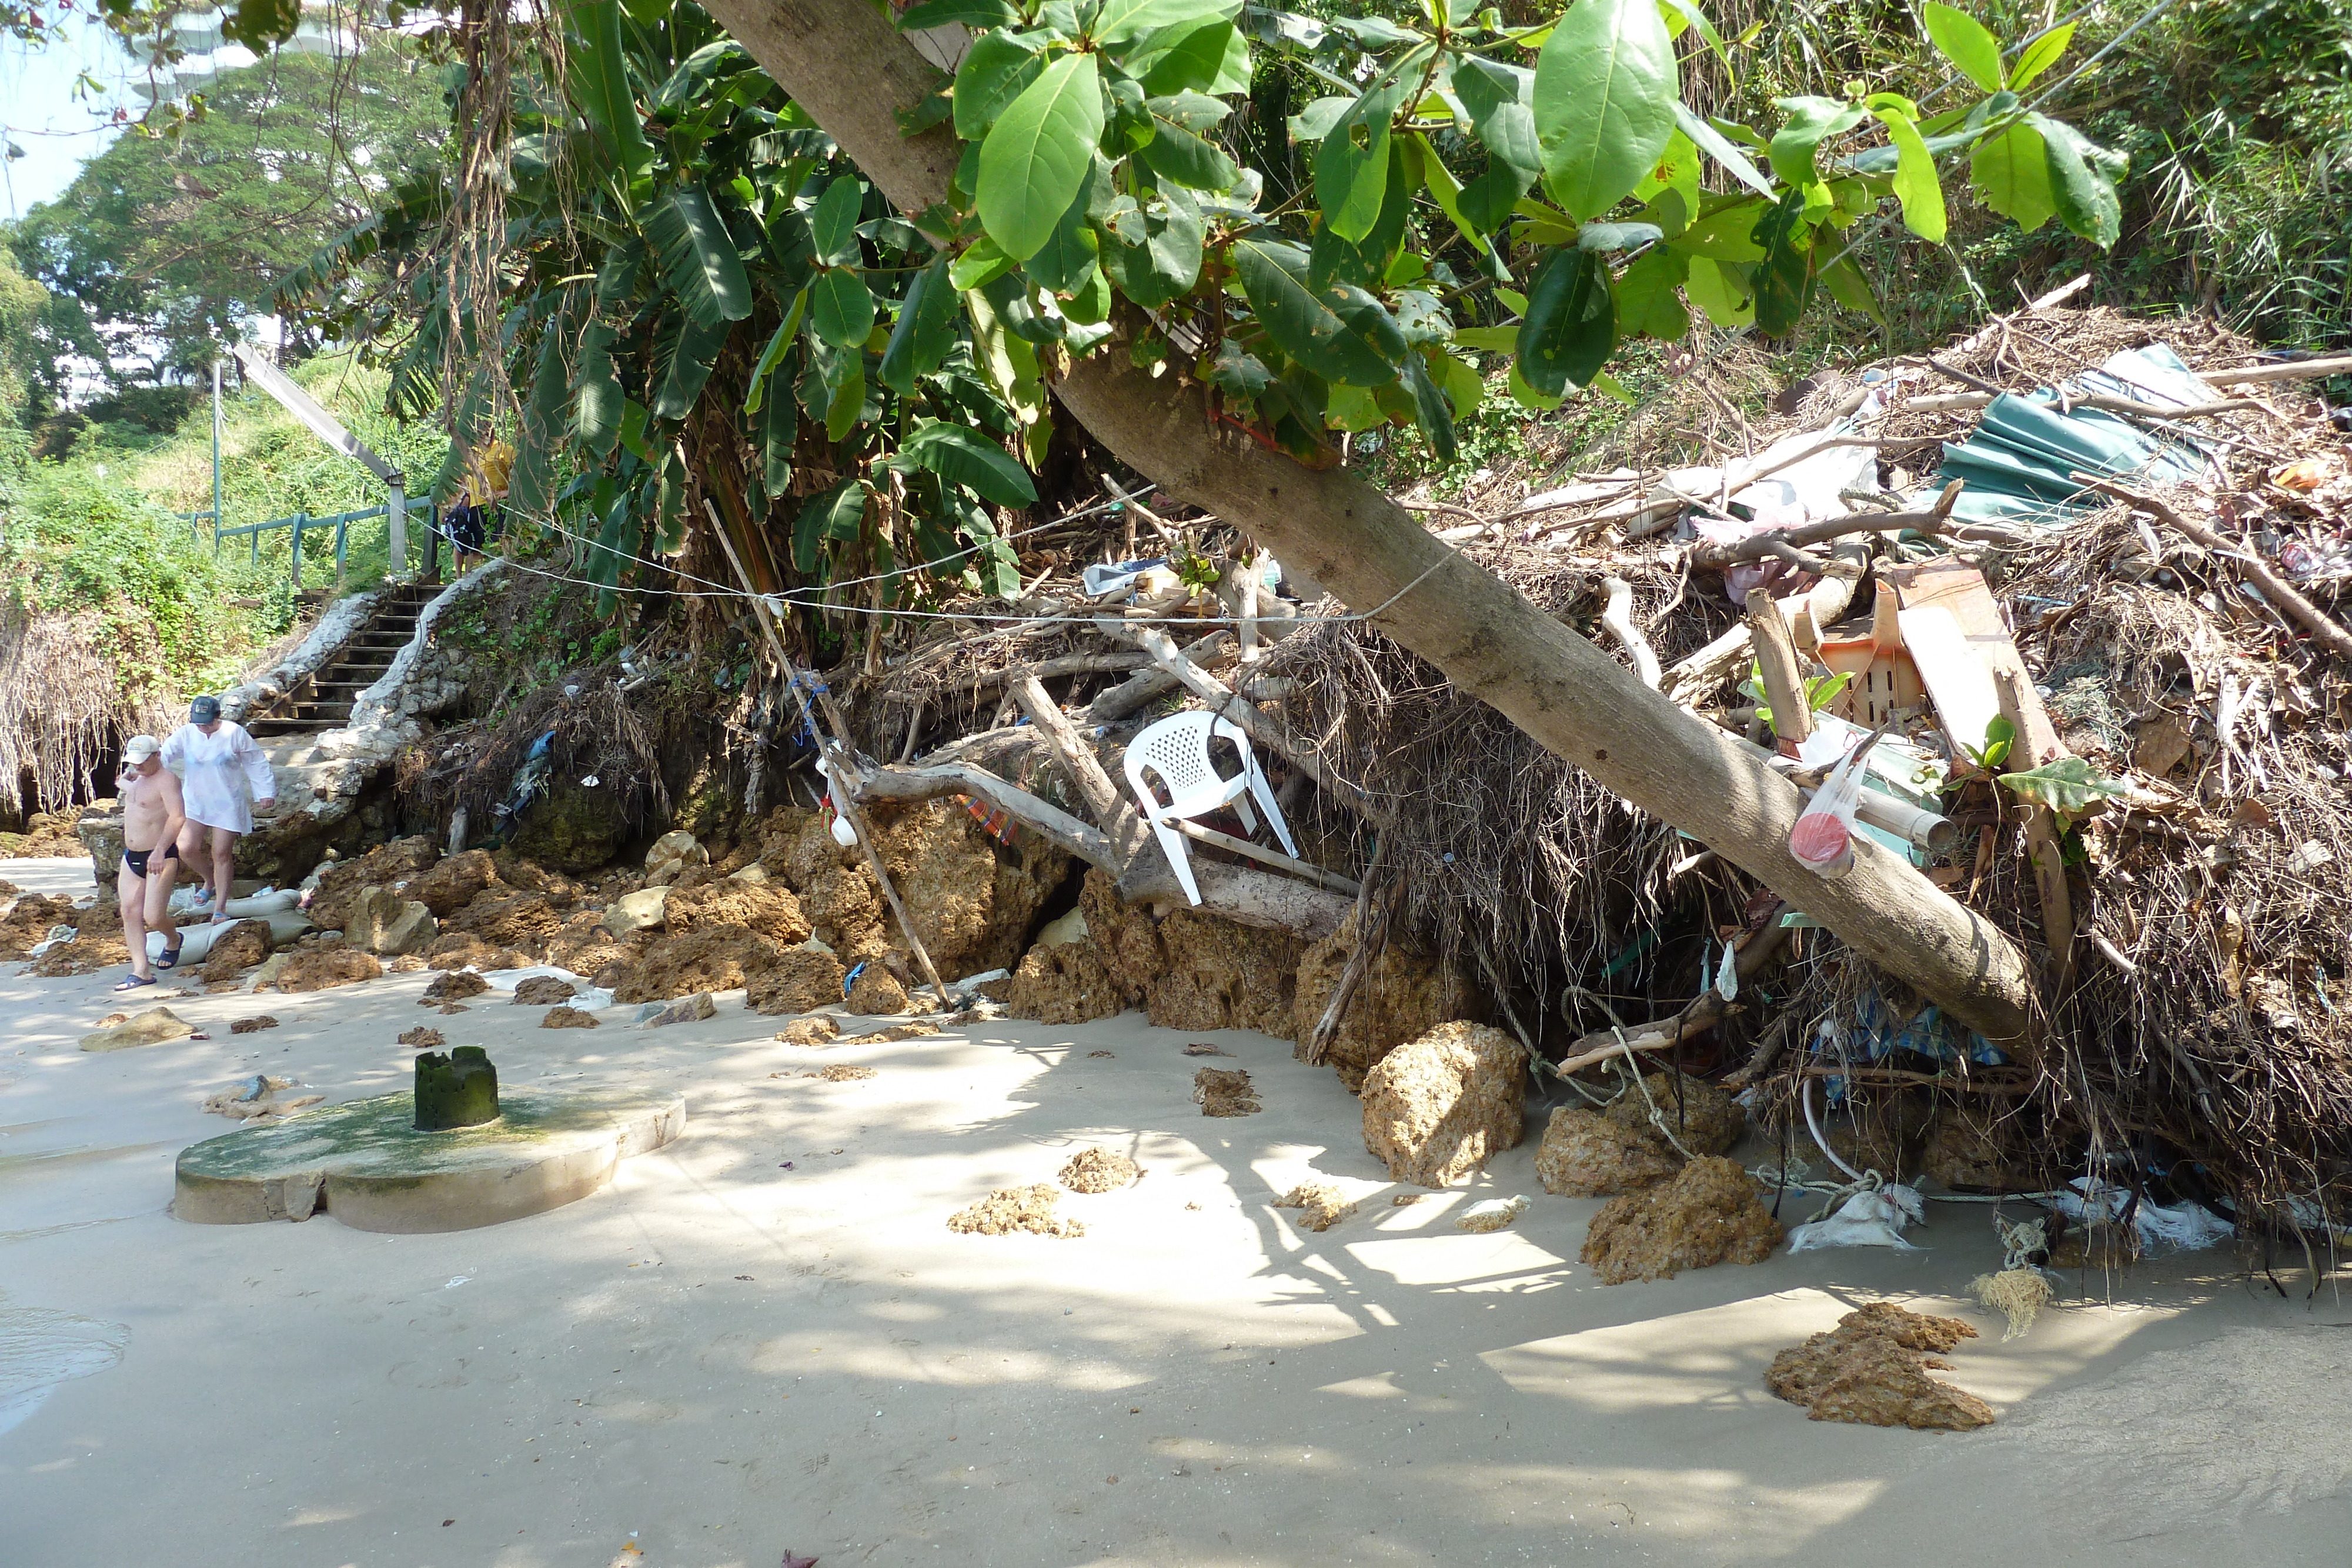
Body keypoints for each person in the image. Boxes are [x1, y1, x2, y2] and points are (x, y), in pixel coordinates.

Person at [164, 695, 277, 922]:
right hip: (196, 801)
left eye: (207, 721)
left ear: (218, 717)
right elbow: (164, 754)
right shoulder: (187, 734)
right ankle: (210, 880)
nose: (203, 726)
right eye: (199, 722)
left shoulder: (234, 733)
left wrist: (265, 792)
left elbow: (255, 761)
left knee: (221, 853)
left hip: (227, 802)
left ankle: (220, 906)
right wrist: (142, 774)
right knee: (185, 847)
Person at [114, 735, 187, 991]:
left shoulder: (167, 780)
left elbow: (178, 817)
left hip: (159, 855)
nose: (138, 767)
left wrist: (159, 850)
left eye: (142, 762)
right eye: (134, 763)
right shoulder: (136, 780)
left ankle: (174, 939)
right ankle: (141, 971)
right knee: (129, 911)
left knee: (153, 917)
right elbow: (129, 788)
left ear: (157, 755)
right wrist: (125, 779)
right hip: (131, 856)